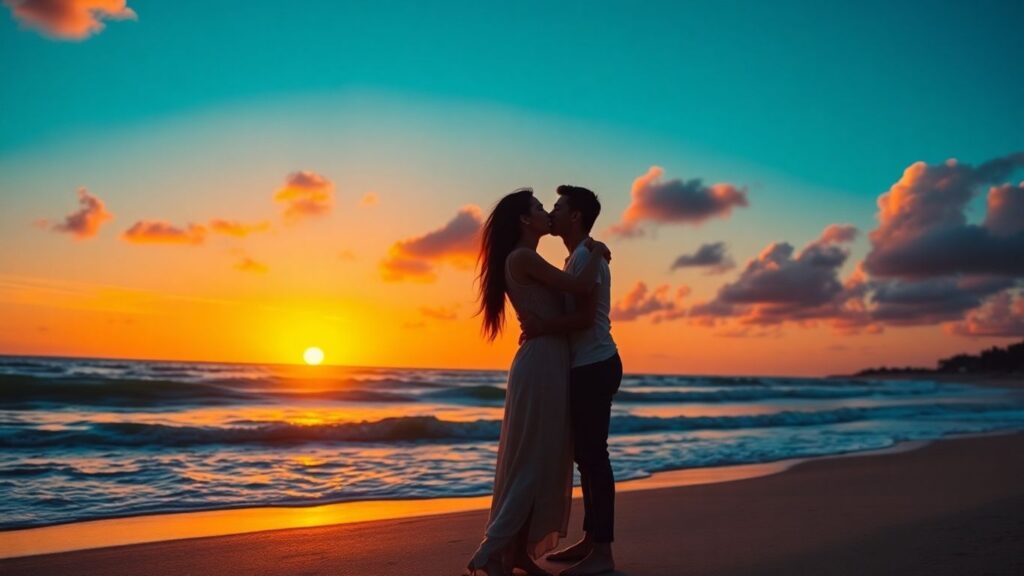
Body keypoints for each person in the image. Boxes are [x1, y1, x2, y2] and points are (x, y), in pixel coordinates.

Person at [465, 188, 611, 576]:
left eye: (553, 207)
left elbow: (569, 299)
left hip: (548, 360)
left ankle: (516, 553)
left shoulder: (532, 258)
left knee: (541, 457)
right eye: (539, 208)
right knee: (532, 458)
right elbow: (580, 289)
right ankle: (493, 549)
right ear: (525, 221)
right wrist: (598, 250)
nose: (547, 212)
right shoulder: (524, 257)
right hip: (541, 363)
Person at [522, 185, 622, 576]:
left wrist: (542, 327)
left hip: (595, 363)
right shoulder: (578, 257)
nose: (552, 210)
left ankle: (604, 553)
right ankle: (591, 540)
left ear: (575, 216)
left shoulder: (586, 258)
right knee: (586, 456)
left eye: (559, 206)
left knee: (595, 458)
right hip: (589, 364)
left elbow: (582, 319)